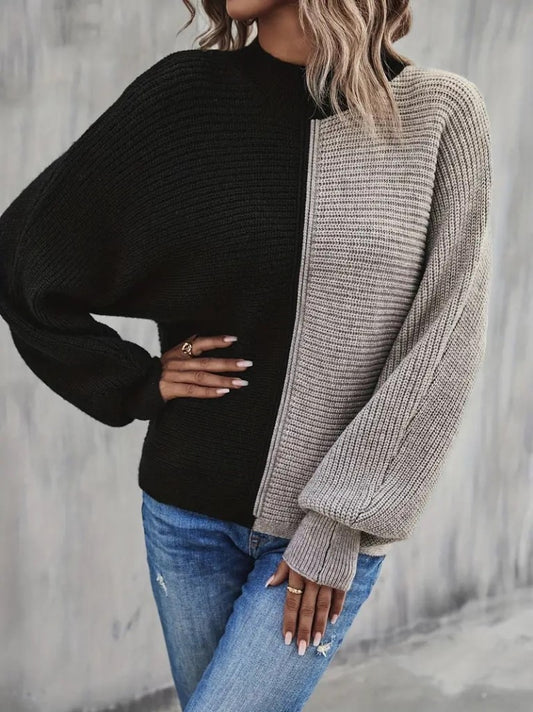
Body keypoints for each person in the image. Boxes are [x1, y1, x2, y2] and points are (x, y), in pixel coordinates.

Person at [0, 0, 492, 710]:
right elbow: (23, 257)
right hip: (186, 516)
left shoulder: (438, 114)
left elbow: (444, 339)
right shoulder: (184, 96)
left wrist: (337, 524)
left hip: (324, 529)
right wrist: (136, 380)